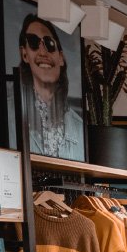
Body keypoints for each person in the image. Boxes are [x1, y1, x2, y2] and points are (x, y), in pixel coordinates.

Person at [17, 14, 82, 160]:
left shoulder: (79, 127)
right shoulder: (10, 114)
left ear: (60, 57)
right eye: (33, 42)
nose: (42, 52)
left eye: (49, 44)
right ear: (25, 54)